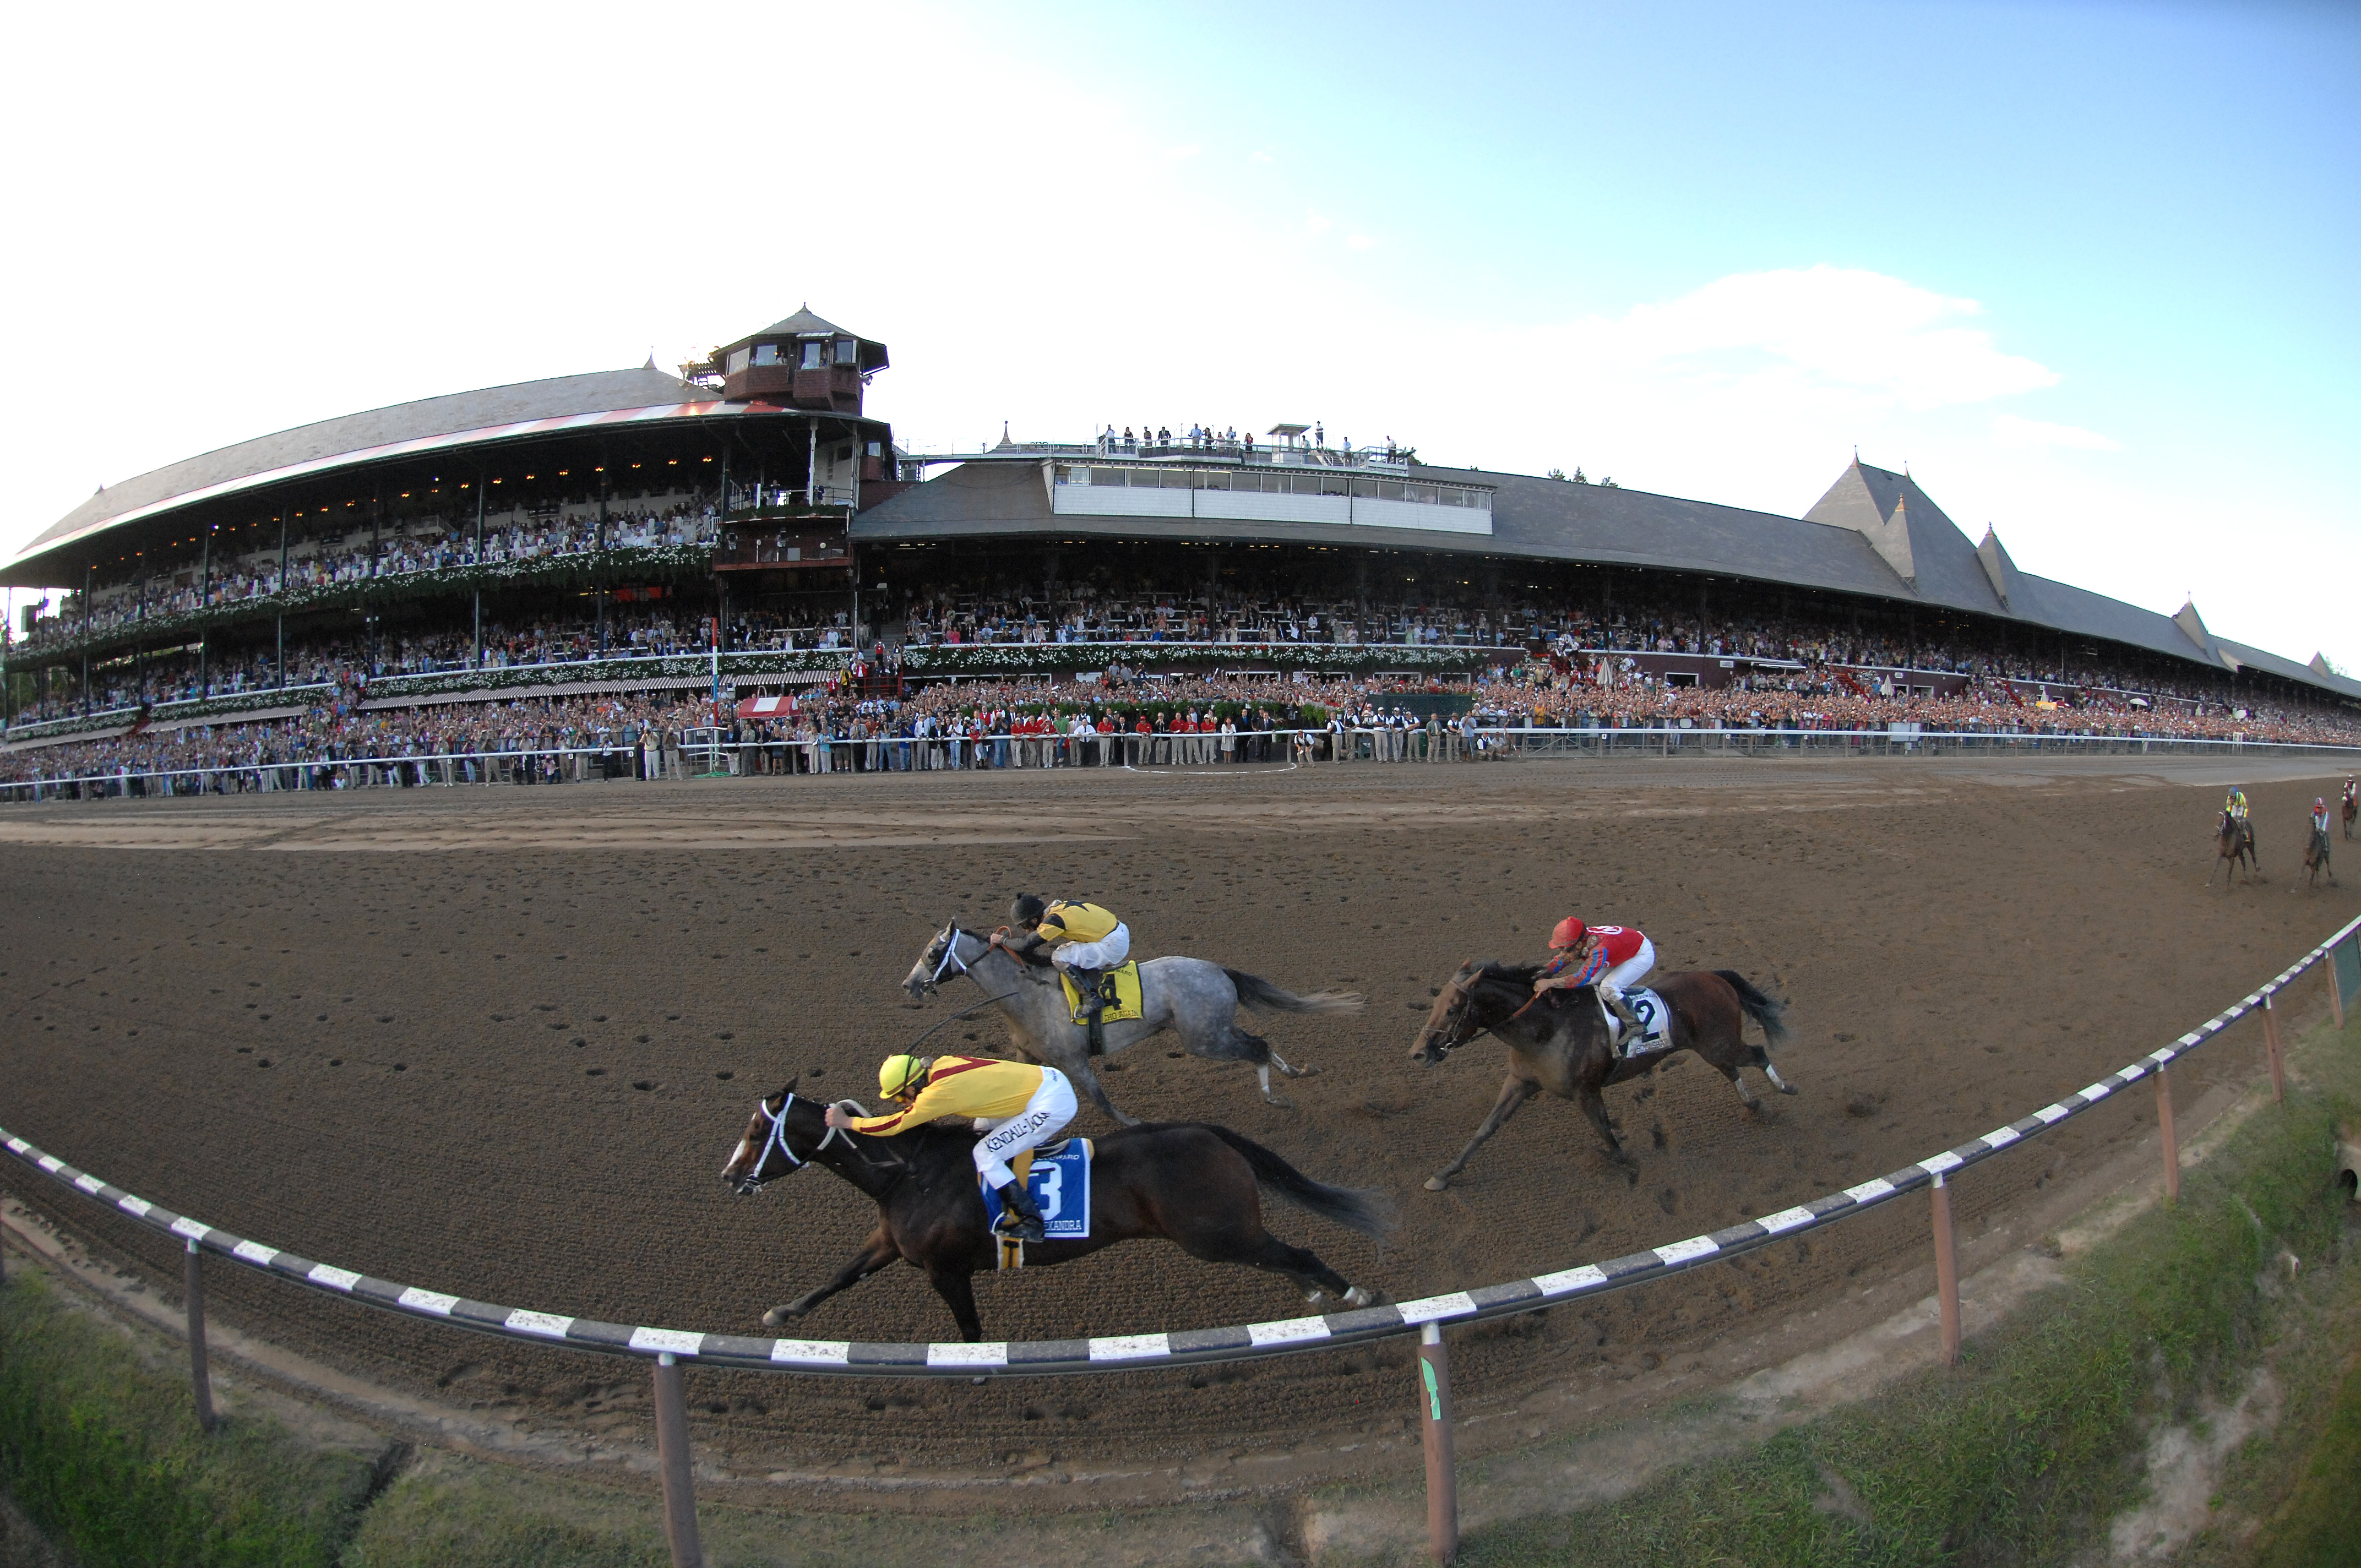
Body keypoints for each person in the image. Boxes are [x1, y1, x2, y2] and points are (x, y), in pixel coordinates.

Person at [828, 1053, 1075, 1242]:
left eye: (902, 1097)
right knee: (980, 1128)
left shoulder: (935, 1095)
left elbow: (894, 1125)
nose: (904, 1102)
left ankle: (1031, 1220)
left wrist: (848, 1122)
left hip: (1051, 1104)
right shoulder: (943, 1064)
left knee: (985, 1153)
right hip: (1046, 1080)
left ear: (914, 1088)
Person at [997, 894, 1131, 1019]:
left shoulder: (1054, 921)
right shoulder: (1059, 907)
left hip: (1113, 945)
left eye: (1026, 926)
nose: (1027, 930)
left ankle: (1092, 999)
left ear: (1034, 919)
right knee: (1067, 950)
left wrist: (1002, 940)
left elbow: (1026, 944)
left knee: (1059, 957)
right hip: (1118, 931)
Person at [1534, 917, 1654, 1037]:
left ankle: (1635, 1025)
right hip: (1619, 951)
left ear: (1579, 945)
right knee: (1591, 984)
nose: (1563, 954)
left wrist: (1550, 983)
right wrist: (1537, 974)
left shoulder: (1599, 949)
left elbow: (1580, 978)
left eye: (1565, 950)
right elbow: (1561, 960)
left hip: (1640, 955)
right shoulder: (1582, 940)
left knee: (1608, 988)